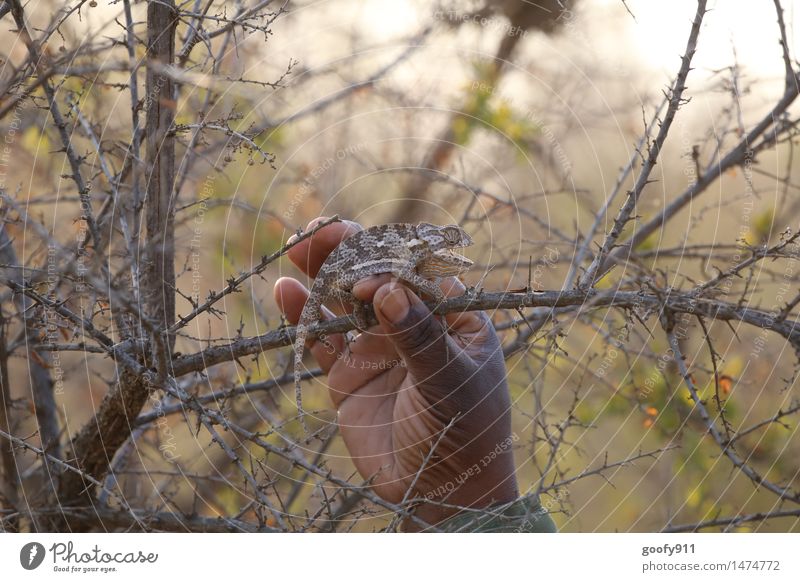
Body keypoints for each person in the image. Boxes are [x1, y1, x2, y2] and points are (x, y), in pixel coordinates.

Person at [273, 217, 556, 532]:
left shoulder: (416, 251)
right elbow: (407, 274)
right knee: (369, 286)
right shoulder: (414, 250)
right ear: (429, 241)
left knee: (370, 286)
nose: (449, 246)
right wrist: (426, 294)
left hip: (362, 276)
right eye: (444, 239)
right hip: (351, 273)